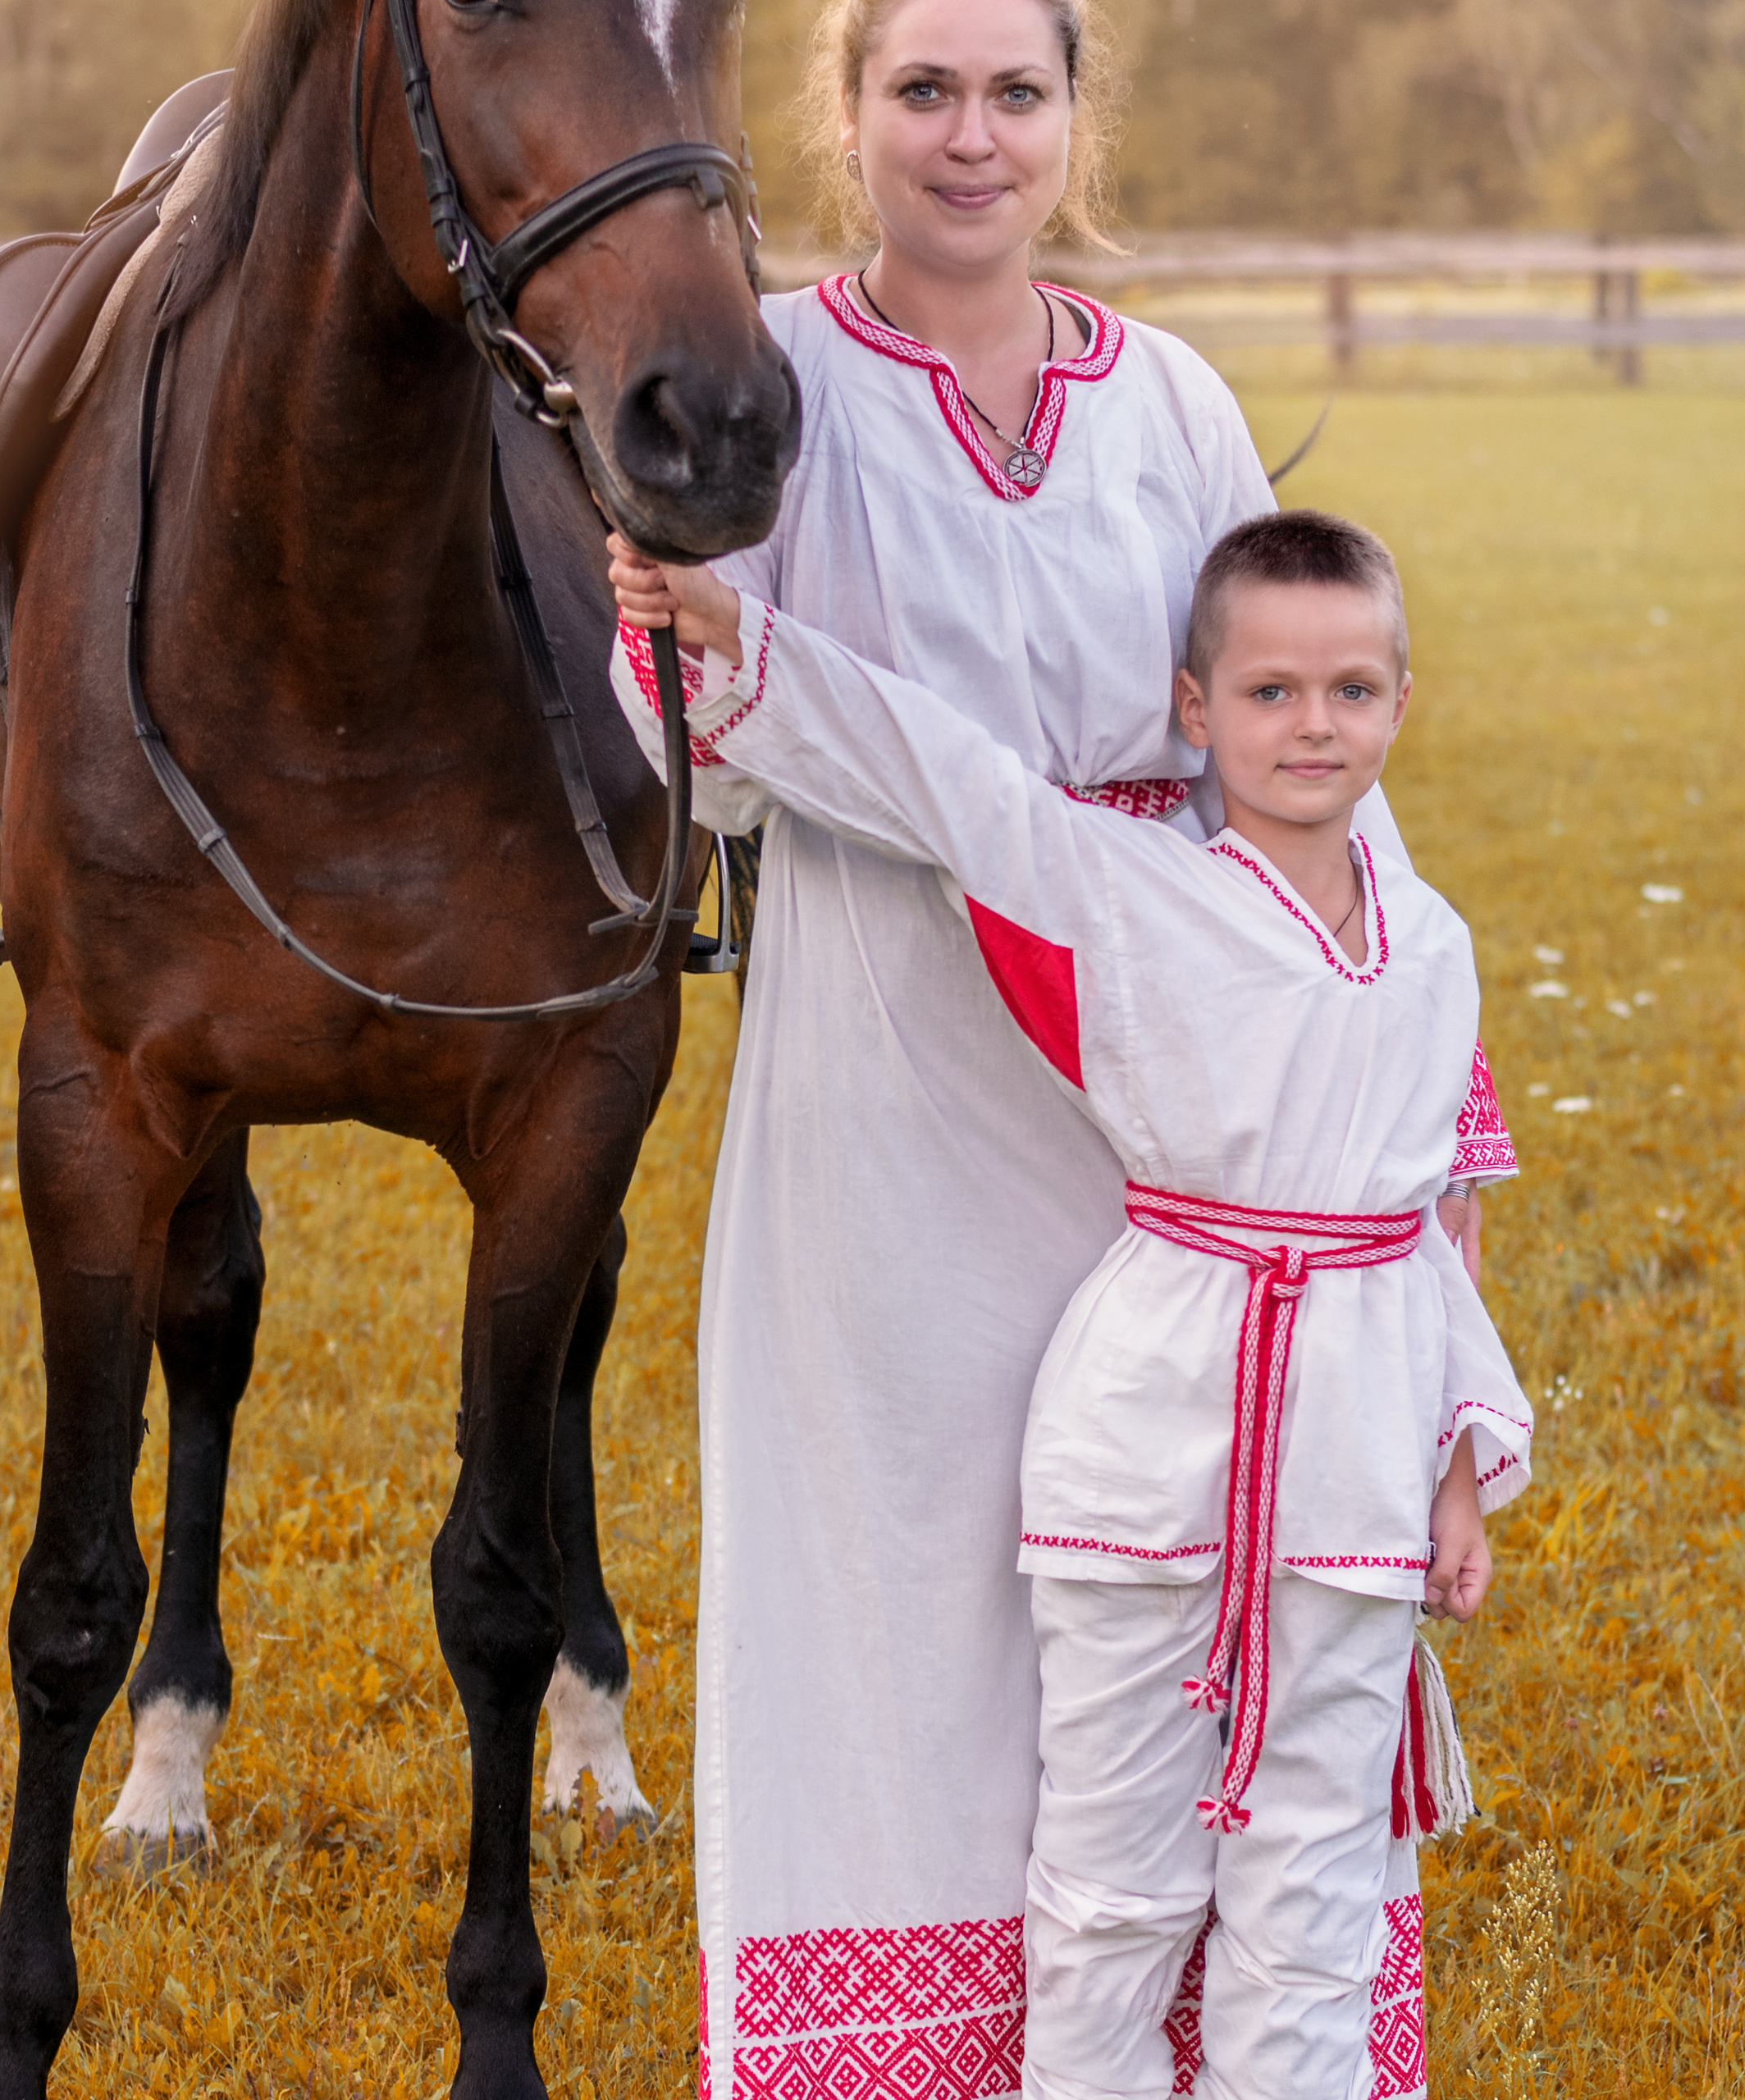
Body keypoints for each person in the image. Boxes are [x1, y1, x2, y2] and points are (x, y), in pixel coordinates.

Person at [602, 0, 1515, 2095]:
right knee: (906, 1572)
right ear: (844, 118)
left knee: (1193, 1552)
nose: (969, 137)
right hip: (891, 1057)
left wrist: (1408, 1138)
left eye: (1014, 92)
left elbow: (1288, 748)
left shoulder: (1168, 400)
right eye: (919, 90)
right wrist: (714, 660)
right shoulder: (773, 374)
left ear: (1072, 121)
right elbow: (701, 752)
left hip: (1170, 1096)